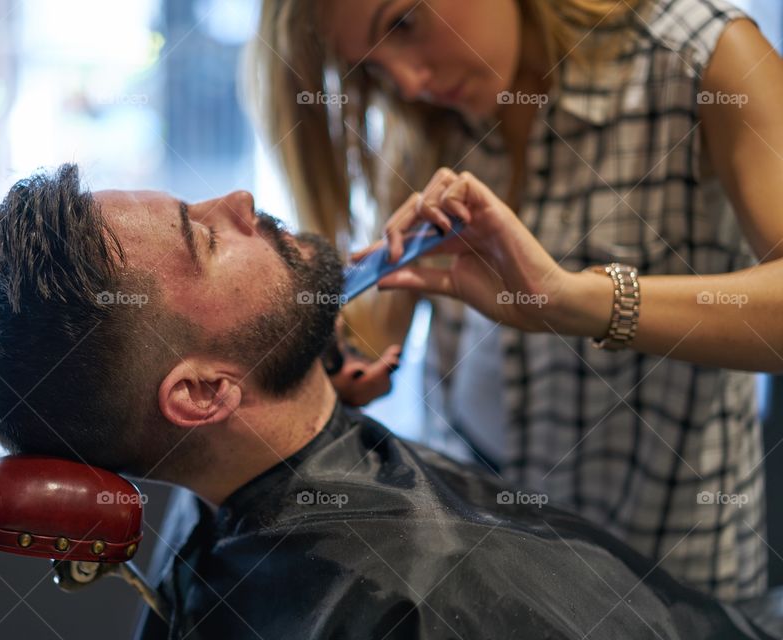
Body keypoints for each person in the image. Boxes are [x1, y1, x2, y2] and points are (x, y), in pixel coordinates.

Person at [0, 165, 778, 639]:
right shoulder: (418, 602)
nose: (239, 200)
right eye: (206, 239)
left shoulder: (202, 506)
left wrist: (307, 376)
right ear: (203, 392)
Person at [247, 0, 783, 601]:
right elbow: (374, 343)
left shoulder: (703, 61)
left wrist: (576, 301)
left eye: (403, 23)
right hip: (481, 582)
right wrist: (332, 367)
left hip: (665, 589)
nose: (410, 81)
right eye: (371, 70)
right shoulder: (431, 123)